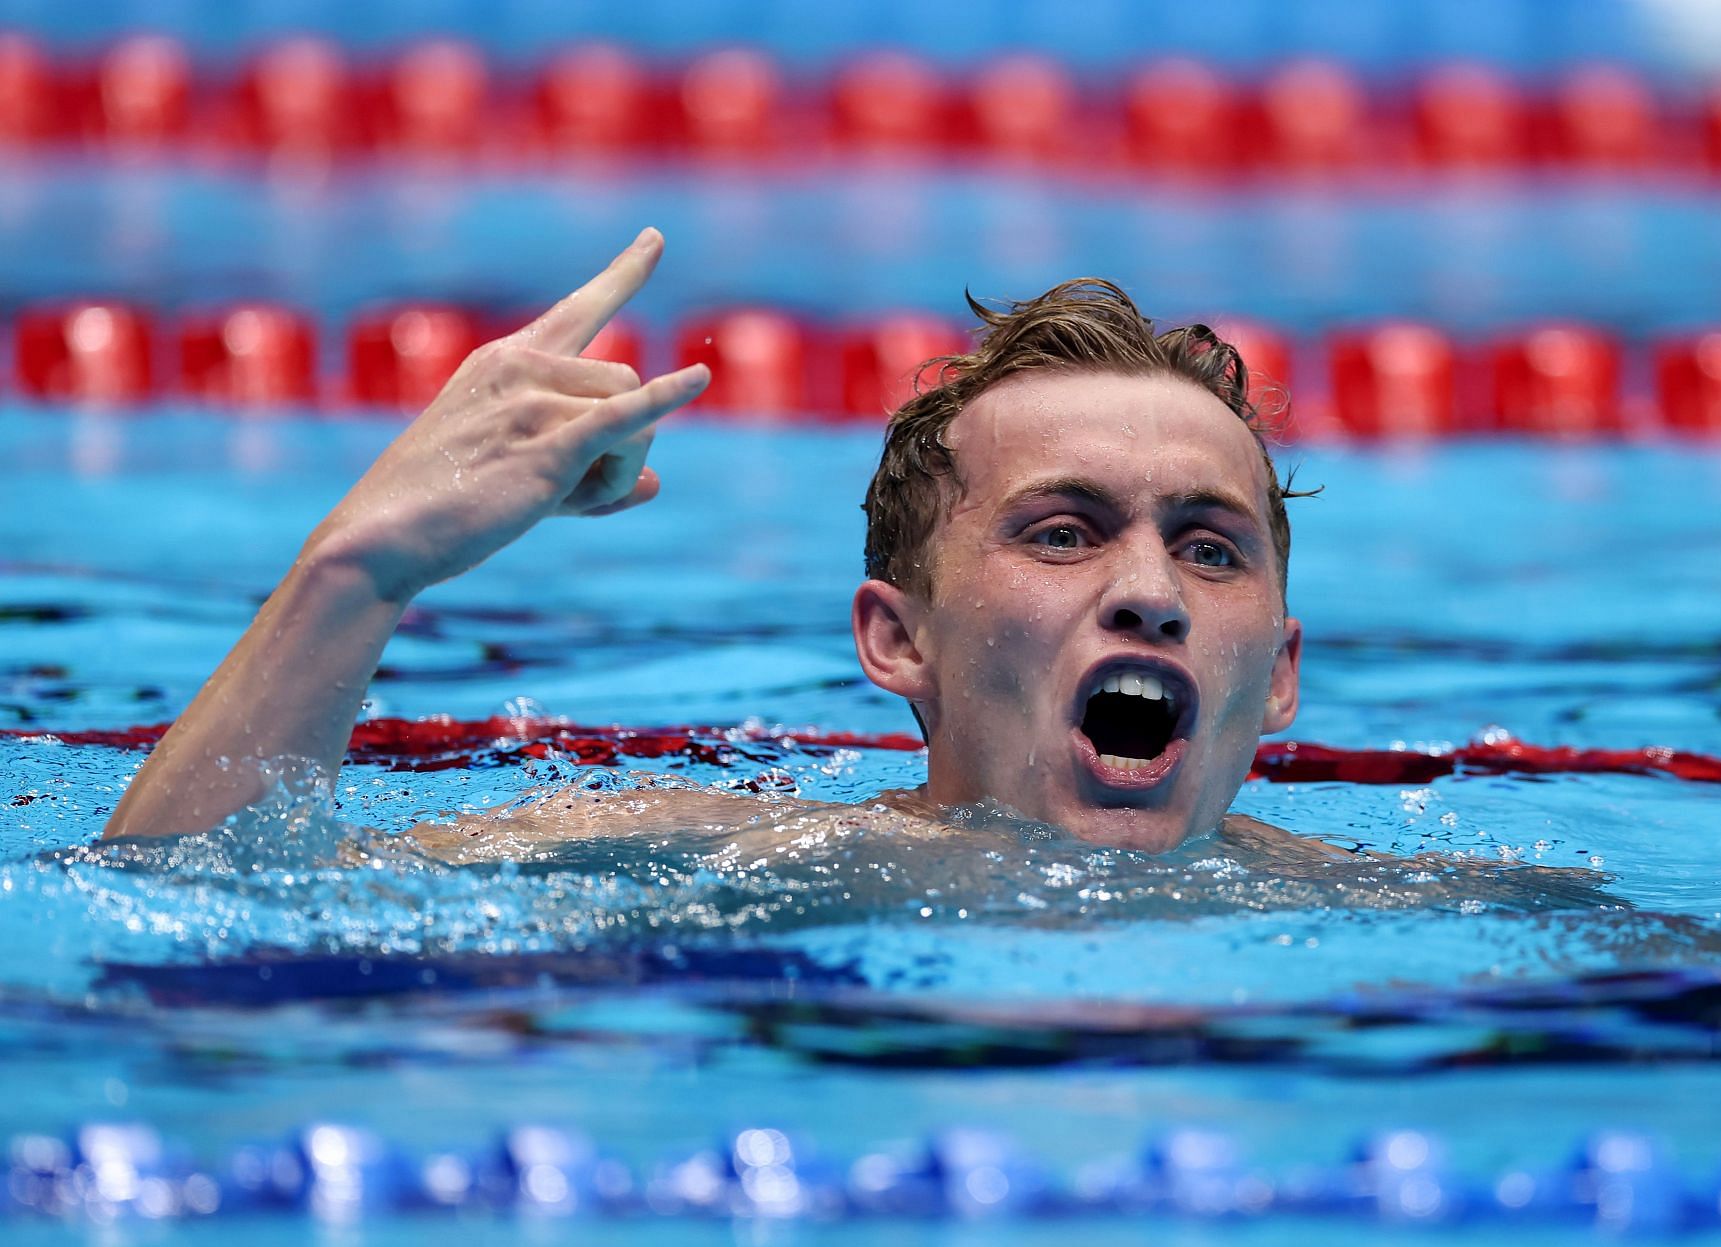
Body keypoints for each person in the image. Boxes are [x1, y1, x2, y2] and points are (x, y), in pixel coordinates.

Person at [99, 229, 1332, 865]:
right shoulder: (725, 860)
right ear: (897, 638)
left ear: (1278, 671)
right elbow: (191, 899)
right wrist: (358, 569)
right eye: (1062, 532)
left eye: (1210, 549)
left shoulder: (1413, 908)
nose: (1152, 595)